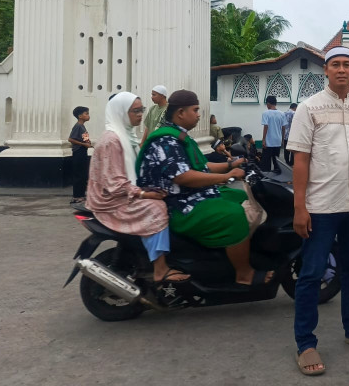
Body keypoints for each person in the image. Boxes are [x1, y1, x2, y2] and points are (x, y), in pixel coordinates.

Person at [287, 46, 349, 376]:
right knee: (312, 274)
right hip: (320, 207)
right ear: (325, 71)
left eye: (347, 65)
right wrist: (299, 208)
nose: (341, 70)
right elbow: (300, 160)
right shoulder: (309, 108)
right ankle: (306, 343)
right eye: (335, 65)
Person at [137, 89, 272, 287]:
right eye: (196, 109)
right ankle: (243, 273)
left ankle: (228, 253)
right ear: (181, 112)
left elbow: (201, 166)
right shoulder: (166, 140)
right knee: (234, 215)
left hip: (190, 195)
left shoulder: (179, 135)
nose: (199, 114)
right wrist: (225, 176)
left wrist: (230, 165)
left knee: (237, 196)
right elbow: (184, 177)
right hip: (178, 205)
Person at [86, 92, 189, 283]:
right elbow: (114, 184)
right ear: (121, 112)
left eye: (141, 110)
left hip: (122, 192)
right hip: (111, 200)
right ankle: (160, 269)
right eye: (135, 111)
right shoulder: (112, 140)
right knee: (156, 209)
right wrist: (143, 194)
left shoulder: (125, 134)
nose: (140, 114)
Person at [68, 106, 92, 204]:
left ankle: (81, 195)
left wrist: (88, 143)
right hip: (78, 152)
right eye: (86, 114)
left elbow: (86, 139)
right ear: (80, 116)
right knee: (79, 174)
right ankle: (76, 196)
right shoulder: (77, 126)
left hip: (83, 152)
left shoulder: (82, 127)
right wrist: (83, 144)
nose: (88, 116)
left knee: (82, 174)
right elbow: (70, 139)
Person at [261, 95, 286, 173]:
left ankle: (266, 176)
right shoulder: (282, 114)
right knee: (276, 161)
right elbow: (283, 128)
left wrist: (264, 139)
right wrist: (282, 139)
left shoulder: (266, 113)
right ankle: (277, 176)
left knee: (266, 161)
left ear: (268, 103)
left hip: (269, 141)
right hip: (277, 141)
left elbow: (266, 126)